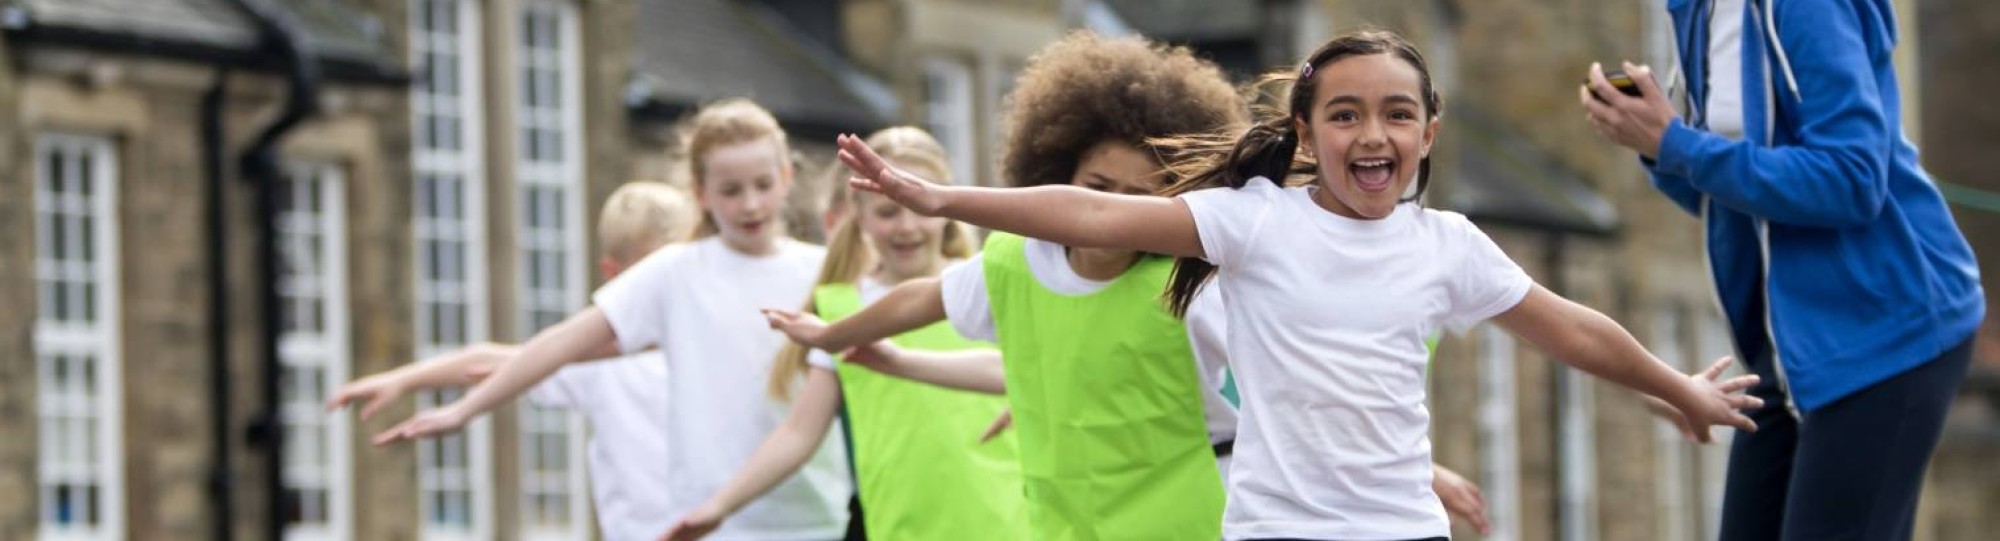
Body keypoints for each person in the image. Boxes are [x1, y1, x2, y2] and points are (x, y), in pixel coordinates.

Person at [832, 29, 1761, 541]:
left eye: (1396, 114)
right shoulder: (1254, 221)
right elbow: (1098, 217)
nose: (1372, 134)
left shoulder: (1449, 246)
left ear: (1428, 132)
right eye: (1345, 114)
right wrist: (945, 195)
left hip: (1399, 532)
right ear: (1307, 134)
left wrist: (1675, 385)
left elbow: (1571, 328)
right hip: (1276, 531)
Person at [1579, 1, 1983, 538]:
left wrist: (1677, 145)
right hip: (1789, 346)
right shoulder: (1697, 11)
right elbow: (1725, 191)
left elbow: (1853, 178)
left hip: (1886, 323)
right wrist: (1655, 146)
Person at [375, 99, 853, 540]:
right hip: (709, 523)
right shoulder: (675, 272)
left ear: (787, 178)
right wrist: (463, 410)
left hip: (811, 519)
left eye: (762, 185)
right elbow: (564, 342)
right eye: (730, 190)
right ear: (700, 194)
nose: (750, 204)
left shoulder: (822, 271)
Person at [659, 127, 1025, 541]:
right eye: (887, 213)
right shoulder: (842, 311)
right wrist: (719, 507)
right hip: (902, 527)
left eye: (917, 209)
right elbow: (799, 433)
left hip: (1010, 522)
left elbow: (1028, 374)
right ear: (860, 215)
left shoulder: (989, 286)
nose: (906, 227)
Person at [328, 180, 696, 540]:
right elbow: (494, 359)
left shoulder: (699, 346)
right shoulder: (600, 363)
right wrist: (406, 379)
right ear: (614, 276)